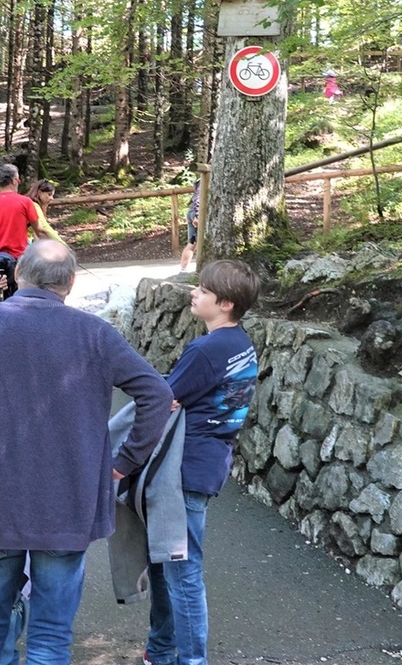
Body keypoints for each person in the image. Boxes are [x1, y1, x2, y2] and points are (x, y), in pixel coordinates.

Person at [0, 239, 172, 664]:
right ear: (71, 283)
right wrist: (122, 465)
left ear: (19, 274)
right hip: (68, 505)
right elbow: (156, 393)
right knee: (50, 637)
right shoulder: (94, 333)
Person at [145, 260, 261, 665]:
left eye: (204, 291)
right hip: (210, 462)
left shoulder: (206, 349)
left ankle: (190, 660)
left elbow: (165, 397)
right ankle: (160, 651)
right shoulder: (240, 343)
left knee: (182, 571)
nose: (194, 293)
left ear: (225, 303)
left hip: (185, 466)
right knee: (167, 563)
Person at [0, 164, 39, 299]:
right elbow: (39, 230)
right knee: (21, 296)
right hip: (19, 260)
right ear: (15, 180)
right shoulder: (25, 202)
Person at [25, 178, 63, 243]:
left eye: (52, 195)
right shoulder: (34, 205)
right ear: (39, 192)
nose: (52, 198)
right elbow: (44, 227)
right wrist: (62, 245)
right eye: (49, 194)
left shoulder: (31, 203)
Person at [179, 182, 200, 272]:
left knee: (192, 243)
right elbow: (199, 197)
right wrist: (197, 215)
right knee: (198, 243)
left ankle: (183, 269)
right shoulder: (206, 178)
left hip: (192, 212)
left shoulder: (199, 181)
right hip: (196, 213)